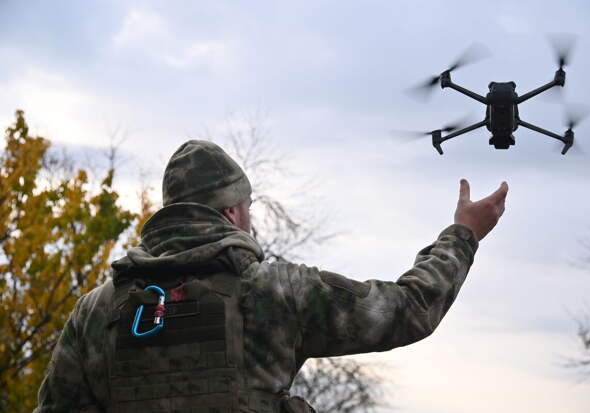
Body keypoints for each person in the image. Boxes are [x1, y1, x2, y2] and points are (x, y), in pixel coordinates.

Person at [35, 140, 508, 413]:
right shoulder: (275, 291)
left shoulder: (96, 311)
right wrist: (463, 235)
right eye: (248, 207)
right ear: (232, 212)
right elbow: (408, 310)